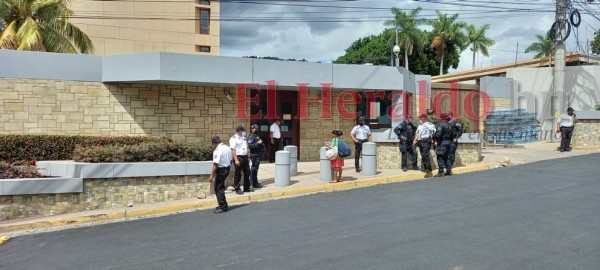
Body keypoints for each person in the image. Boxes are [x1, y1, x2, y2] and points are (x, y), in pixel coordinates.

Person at [209, 136, 232, 214]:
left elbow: (216, 164)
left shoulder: (217, 150)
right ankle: (222, 204)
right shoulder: (227, 147)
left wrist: (211, 175)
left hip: (221, 170)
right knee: (220, 187)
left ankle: (223, 206)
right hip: (227, 168)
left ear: (214, 143)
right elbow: (230, 159)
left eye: (213, 144)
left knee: (218, 188)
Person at [230, 125, 251, 194]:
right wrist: (236, 160)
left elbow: (246, 147)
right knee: (238, 174)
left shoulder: (243, 137)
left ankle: (246, 188)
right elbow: (233, 150)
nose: (243, 132)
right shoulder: (233, 138)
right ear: (239, 131)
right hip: (238, 157)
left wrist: (248, 157)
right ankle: (237, 189)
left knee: (247, 172)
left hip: (244, 157)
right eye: (242, 130)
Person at [247, 124, 264, 189]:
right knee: (253, 169)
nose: (256, 129)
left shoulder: (256, 136)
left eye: (257, 128)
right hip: (254, 155)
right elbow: (250, 146)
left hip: (258, 154)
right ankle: (253, 183)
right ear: (252, 129)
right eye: (255, 128)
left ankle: (255, 182)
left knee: (255, 169)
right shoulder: (251, 136)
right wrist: (258, 143)